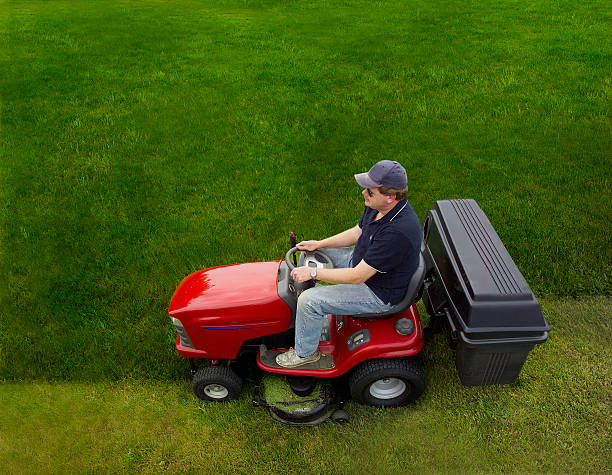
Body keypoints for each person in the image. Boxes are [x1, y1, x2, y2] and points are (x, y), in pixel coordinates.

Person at [276, 160, 422, 368]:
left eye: (370, 192)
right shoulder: (379, 207)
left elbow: (357, 277)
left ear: (390, 197)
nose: (364, 193)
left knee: (309, 300)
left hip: (377, 291)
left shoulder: (397, 232)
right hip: (363, 262)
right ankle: (309, 317)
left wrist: (314, 273)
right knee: (310, 254)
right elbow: (357, 232)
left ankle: (305, 354)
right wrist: (319, 244)